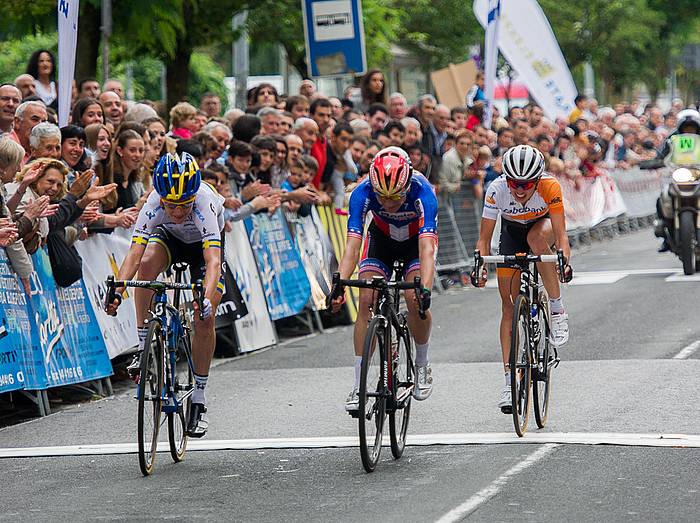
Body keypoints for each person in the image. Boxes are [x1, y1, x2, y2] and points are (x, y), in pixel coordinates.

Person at [105, 153, 224, 438]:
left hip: (202, 251)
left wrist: (205, 299)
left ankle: (199, 397)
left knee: (203, 319)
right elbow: (133, 255)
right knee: (146, 264)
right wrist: (118, 291)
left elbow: (213, 262)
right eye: (172, 206)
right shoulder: (153, 203)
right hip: (169, 240)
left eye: (184, 205)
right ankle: (144, 343)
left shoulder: (205, 202)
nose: (179, 213)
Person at [329, 146, 437, 411]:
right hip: (381, 240)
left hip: (415, 243)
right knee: (366, 298)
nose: (388, 203)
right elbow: (353, 245)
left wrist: (425, 288)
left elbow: (427, 249)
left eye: (395, 197)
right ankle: (358, 385)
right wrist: (340, 283)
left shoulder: (423, 192)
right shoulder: (362, 192)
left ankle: (422, 364)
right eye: (382, 198)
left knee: (414, 299)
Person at [471, 145, 572, 413]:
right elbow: (484, 239)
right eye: (514, 182)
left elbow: (562, 237)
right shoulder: (496, 189)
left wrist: (563, 260)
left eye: (526, 184)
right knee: (508, 305)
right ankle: (508, 382)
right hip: (511, 232)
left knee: (537, 240)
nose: (519, 189)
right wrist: (479, 265)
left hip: (542, 227)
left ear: (537, 180)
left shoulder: (550, 186)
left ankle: (556, 307)